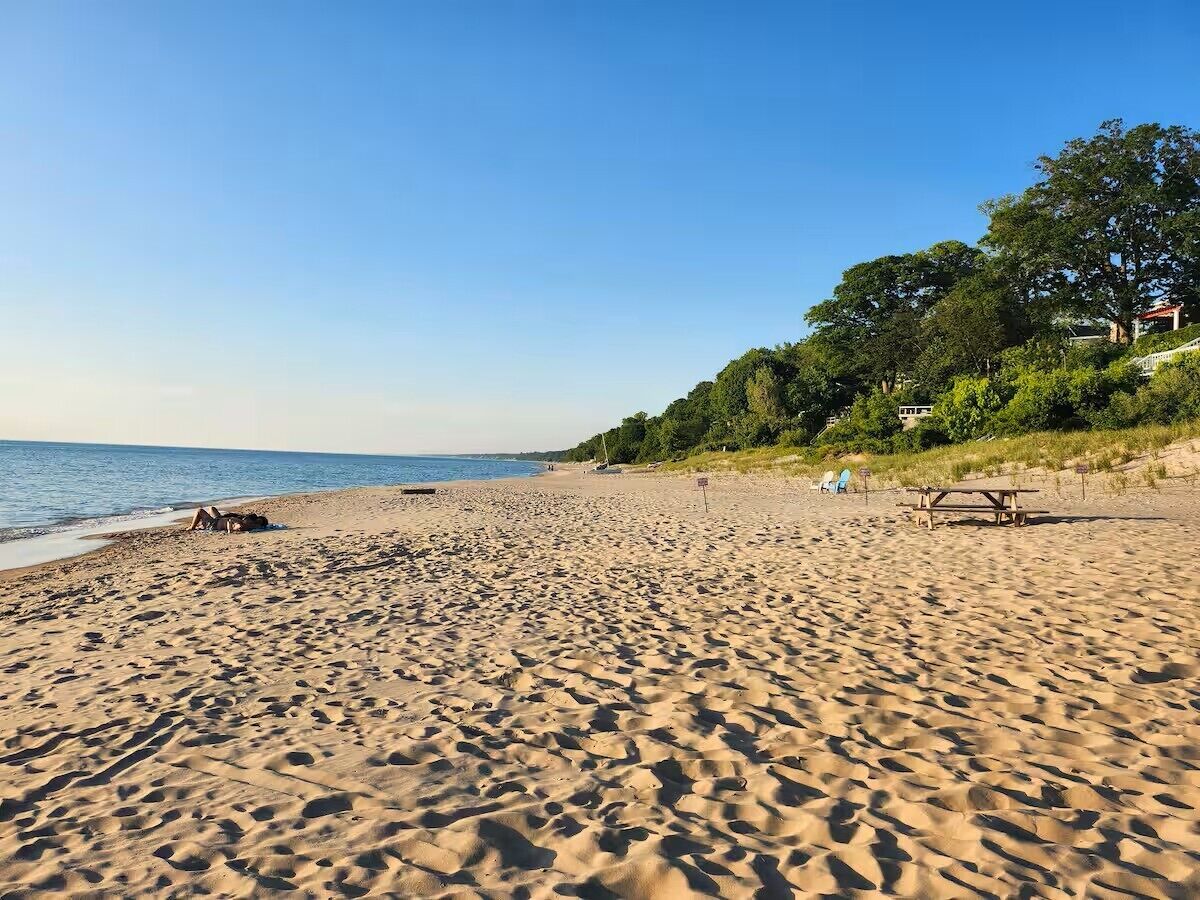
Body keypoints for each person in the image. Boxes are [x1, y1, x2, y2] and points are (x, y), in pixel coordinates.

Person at [188, 506, 269, 532]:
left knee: (199, 511)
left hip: (214, 524)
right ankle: (202, 523)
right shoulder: (244, 520)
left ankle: (192, 527)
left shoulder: (247, 524)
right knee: (211, 508)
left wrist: (231, 529)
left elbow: (239, 527)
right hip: (218, 520)